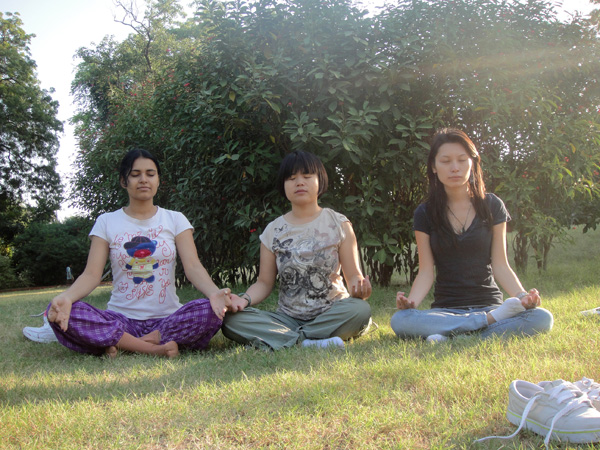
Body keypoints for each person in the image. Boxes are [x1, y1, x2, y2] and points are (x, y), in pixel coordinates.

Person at [45, 148, 231, 357]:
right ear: (123, 181)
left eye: (150, 174)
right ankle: (153, 348)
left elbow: (193, 266)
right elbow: (91, 274)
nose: (143, 180)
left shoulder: (175, 219)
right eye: (135, 174)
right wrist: (67, 298)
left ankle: (123, 343)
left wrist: (214, 293)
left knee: (210, 310)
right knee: (62, 310)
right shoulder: (106, 221)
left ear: (158, 180)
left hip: (167, 319)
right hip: (120, 319)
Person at [390, 128, 553, 342]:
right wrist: (411, 304)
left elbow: (501, 265)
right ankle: (481, 327)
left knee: (542, 318)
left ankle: (454, 335)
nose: (455, 168)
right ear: (434, 167)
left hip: (491, 306)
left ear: (472, 163)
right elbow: (426, 271)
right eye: (446, 161)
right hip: (447, 311)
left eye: (462, 160)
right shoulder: (425, 213)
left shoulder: (492, 205)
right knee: (400, 320)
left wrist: (523, 297)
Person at [222, 150, 372, 350]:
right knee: (231, 320)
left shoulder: (339, 223)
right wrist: (244, 300)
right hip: (287, 319)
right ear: (283, 185)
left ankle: (287, 339)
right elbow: (264, 282)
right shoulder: (273, 230)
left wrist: (360, 289)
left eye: (307, 176)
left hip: (332, 312)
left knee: (360, 310)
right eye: (291, 178)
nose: (299, 182)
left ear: (320, 180)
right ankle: (310, 341)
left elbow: (353, 276)